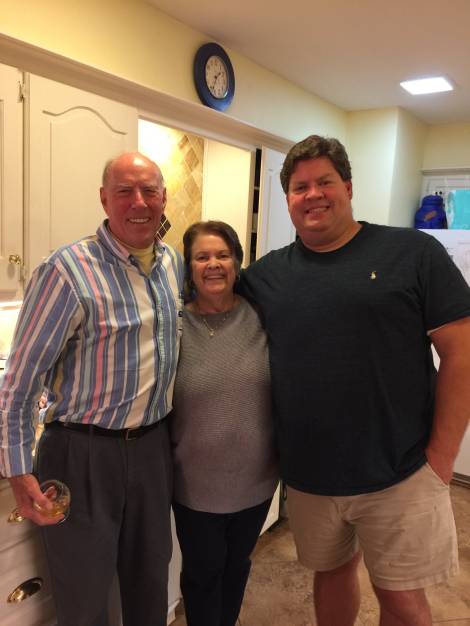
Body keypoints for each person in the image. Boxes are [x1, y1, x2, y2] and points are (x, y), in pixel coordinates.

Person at [239, 135, 470, 626]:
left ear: (347, 187)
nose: (313, 195)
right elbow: (211, 301)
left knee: (402, 601)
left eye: (324, 182)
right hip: (311, 476)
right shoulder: (267, 275)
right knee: (331, 573)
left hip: (402, 469)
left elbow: (463, 352)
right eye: (300, 187)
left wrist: (442, 458)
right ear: (288, 199)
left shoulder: (411, 252)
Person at [0, 152, 184, 626]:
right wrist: (18, 470)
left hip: (153, 450)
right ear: (104, 199)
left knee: (150, 584)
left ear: (164, 198)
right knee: (83, 596)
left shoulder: (171, 264)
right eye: (124, 191)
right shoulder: (66, 270)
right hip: (81, 455)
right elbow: (20, 382)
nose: (138, 202)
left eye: (149, 191)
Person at [170, 220, 278, 626]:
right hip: (195, 485)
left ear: (237, 263)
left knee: (237, 568)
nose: (213, 264)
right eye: (202, 257)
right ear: (189, 267)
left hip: (257, 481)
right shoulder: (174, 326)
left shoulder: (263, 316)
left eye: (222, 255)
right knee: (202, 574)